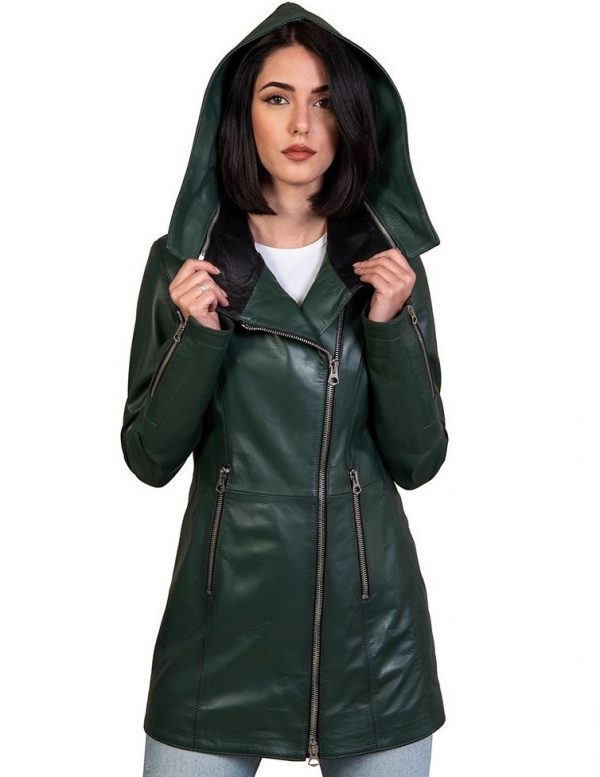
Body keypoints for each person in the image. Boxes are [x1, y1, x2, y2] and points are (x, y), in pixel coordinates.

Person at [120, 3, 449, 775]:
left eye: (325, 101)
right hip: (218, 632)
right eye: (277, 97)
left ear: (353, 119)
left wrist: (389, 324)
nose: (302, 122)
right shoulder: (184, 264)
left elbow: (419, 459)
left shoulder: (390, 268)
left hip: (372, 639)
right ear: (243, 113)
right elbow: (149, 457)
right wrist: (200, 334)